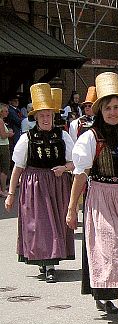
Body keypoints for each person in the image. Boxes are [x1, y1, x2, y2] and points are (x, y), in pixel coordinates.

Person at [66, 72, 118, 323]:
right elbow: (81, 175)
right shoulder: (90, 137)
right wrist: (72, 208)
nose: (113, 112)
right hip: (102, 197)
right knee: (114, 247)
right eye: (108, 108)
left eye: (117, 107)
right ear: (100, 110)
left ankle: (107, 293)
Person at [4, 83, 75, 282]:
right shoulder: (27, 138)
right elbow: (18, 167)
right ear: (35, 117)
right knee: (39, 225)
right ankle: (46, 263)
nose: (45, 119)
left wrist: (64, 168)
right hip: (34, 186)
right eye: (42, 115)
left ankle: (50, 263)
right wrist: (10, 194)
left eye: (49, 115)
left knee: (54, 225)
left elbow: (75, 162)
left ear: (53, 117)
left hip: (57, 185)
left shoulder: (63, 136)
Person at [0, 103, 15, 196]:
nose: (7, 113)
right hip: (3, 146)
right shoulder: (0, 121)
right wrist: (9, 133)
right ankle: (3, 189)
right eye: (5, 111)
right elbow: (3, 135)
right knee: (5, 168)